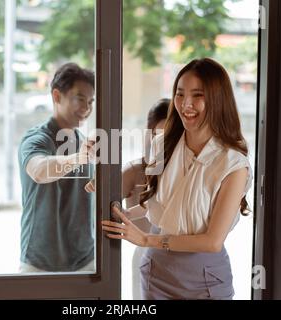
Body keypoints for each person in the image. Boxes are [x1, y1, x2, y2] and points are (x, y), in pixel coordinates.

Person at [102, 58, 253, 300]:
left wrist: (145, 239)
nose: (186, 104)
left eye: (197, 95)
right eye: (180, 94)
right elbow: (165, 203)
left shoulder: (233, 164)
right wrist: (127, 215)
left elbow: (212, 242)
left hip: (205, 278)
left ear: (217, 100)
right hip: (156, 272)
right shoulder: (163, 145)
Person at [84, 98, 169, 299]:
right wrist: (99, 182)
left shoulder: (190, 169)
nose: (163, 143)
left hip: (184, 256)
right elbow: (106, 199)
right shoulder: (136, 170)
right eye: (158, 135)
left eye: (172, 135)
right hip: (148, 254)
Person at [18, 63, 96, 273]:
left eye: (90, 102)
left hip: (85, 261)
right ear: (56, 96)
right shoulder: (36, 139)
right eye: (80, 99)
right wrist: (78, 158)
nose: (87, 108)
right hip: (40, 263)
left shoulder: (85, 144)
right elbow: (39, 170)